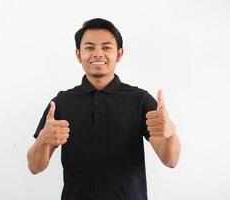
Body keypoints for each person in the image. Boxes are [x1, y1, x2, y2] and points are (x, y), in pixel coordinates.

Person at [27, 18, 181, 200]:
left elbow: (170, 160)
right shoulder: (61, 102)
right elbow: (34, 167)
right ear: (78, 54)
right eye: (89, 47)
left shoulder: (140, 100)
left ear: (120, 53)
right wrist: (43, 140)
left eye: (106, 47)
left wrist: (171, 133)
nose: (98, 54)